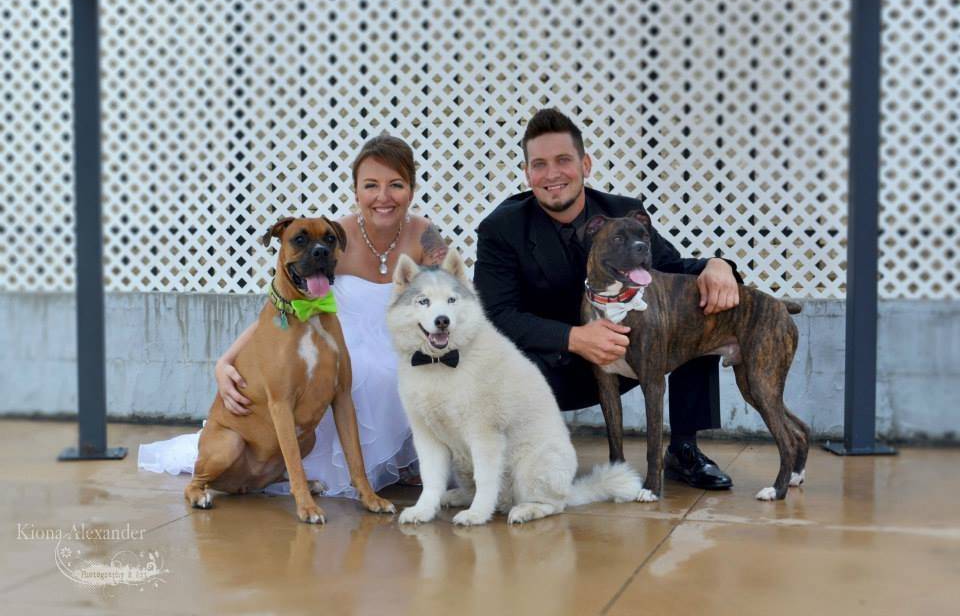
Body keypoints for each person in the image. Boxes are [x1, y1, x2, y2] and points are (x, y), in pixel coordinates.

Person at [139, 135, 448, 497]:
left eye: (396, 185)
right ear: (355, 191)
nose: (383, 196)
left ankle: (403, 460)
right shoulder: (335, 236)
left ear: (411, 189)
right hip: (334, 342)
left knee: (421, 367)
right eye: (371, 186)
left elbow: (451, 296)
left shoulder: (425, 235)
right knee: (367, 373)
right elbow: (281, 307)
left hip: (401, 340)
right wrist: (224, 361)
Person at [473, 108, 740, 490]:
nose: (552, 175)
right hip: (553, 365)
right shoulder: (501, 228)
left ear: (585, 164)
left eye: (563, 160)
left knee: (696, 305)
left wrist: (717, 265)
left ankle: (683, 449)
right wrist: (575, 337)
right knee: (498, 366)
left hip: (624, 355)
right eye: (539, 164)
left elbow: (672, 267)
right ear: (527, 172)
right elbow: (496, 315)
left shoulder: (619, 212)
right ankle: (514, 457)